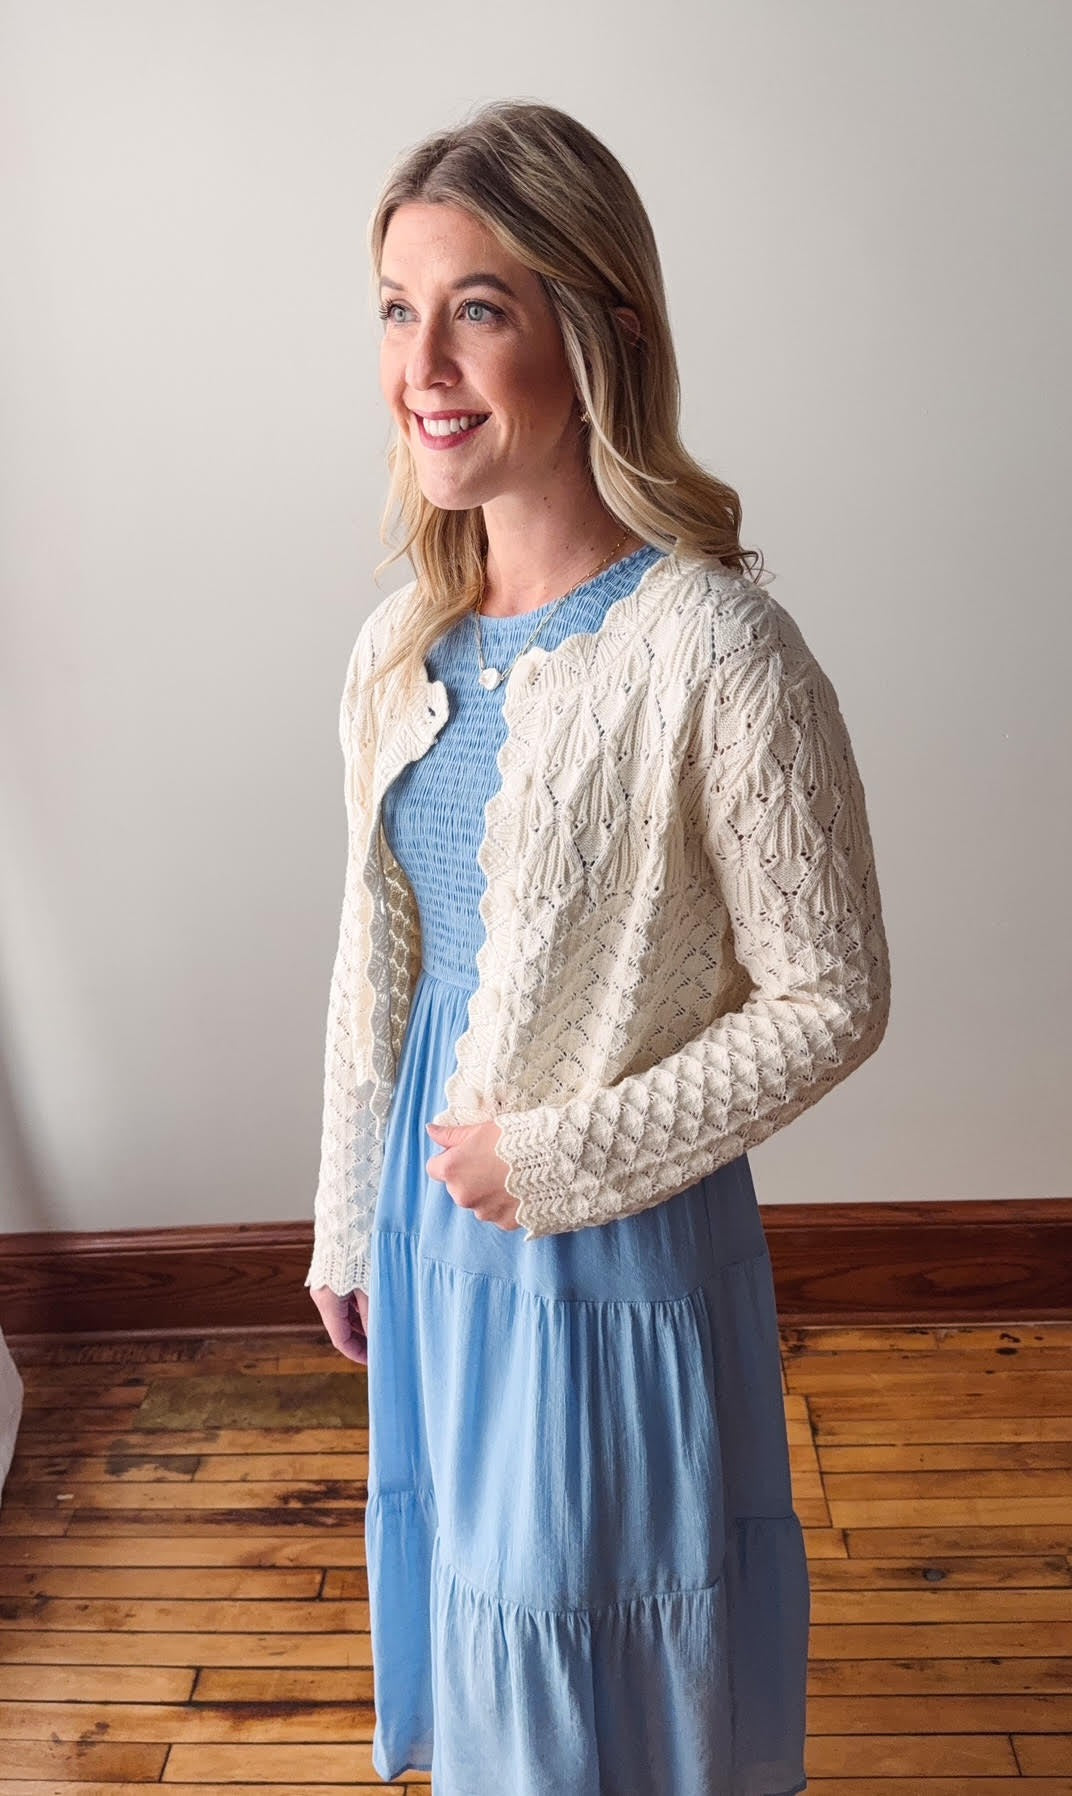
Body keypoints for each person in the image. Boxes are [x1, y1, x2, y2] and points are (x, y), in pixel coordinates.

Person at [306, 99, 891, 1796]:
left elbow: (834, 996)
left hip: (604, 1256)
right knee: (489, 1636)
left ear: (599, 331)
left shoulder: (719, 651)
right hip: (434, 1227)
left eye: (479, 305)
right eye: (400, 308)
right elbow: (376, 971)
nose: (426, 360)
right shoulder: (396, 646)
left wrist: (560, 1157)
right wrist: (353, 1206)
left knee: (606, 1657)